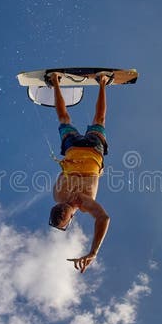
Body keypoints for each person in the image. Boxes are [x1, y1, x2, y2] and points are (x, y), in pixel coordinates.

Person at [47, 71, 112, 273]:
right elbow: (63, 170)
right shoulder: (57, 195)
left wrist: (93, 252)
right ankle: (55, 81)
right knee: (64, 119)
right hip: (73, 149)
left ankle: (102, 81)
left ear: (71, 218)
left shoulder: (83, 202)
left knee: (99, 119)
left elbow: (104, 219)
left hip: (92, 152)